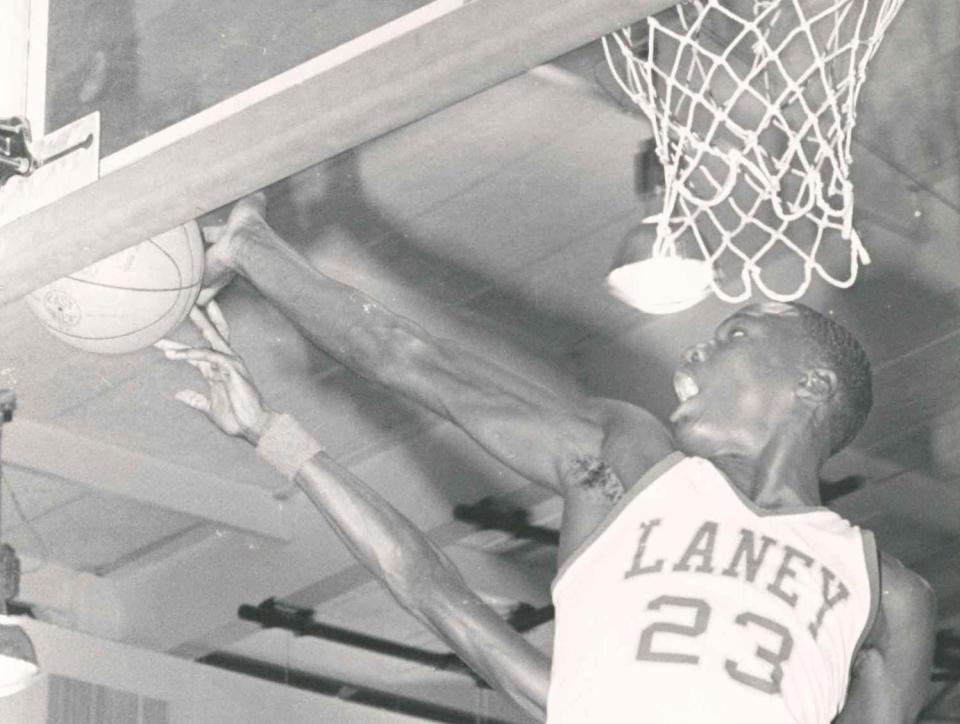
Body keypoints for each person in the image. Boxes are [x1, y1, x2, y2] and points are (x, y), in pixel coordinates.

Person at [159, 192, 935, 723]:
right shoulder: (629, 467)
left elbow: (442, 602)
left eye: (734, 332)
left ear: (811, 384)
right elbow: (415, 363)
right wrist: (252, 250)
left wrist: (275, 438)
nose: (690, 354)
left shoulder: (889, 594)